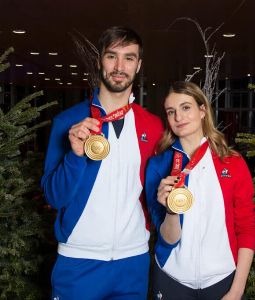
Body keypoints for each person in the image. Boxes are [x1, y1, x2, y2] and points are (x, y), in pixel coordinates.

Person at [41, 26, 163, 300]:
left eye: (129, 58)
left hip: (133, 262)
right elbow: (54, 196)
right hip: (79, 262)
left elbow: (157, 195)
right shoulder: (69, 122)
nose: (120, 66)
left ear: (139, 65)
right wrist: (75, 155)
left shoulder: (152, 126)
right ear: (99, 61)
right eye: (112, 56)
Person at [145, 81, 255, 300]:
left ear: (202, 110)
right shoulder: (158, 166)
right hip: (171, 278)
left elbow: (247, 228)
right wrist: (170, 210)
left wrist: (237, 290)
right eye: (171, 112)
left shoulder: (231, 162)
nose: (179, 117)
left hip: (223, 279)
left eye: (186, 107)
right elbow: (167, 239)